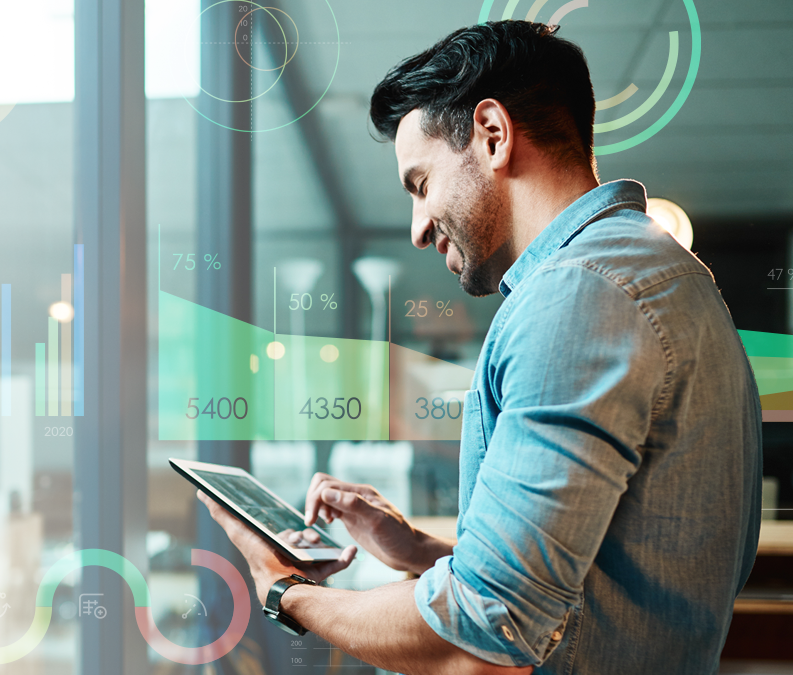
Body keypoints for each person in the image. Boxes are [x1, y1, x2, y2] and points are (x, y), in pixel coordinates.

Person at [198, 20, 762, 675]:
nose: (416, 227)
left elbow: (476, 645)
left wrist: (282, 589)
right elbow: (584, 592)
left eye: (420, 183)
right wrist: (413, 548)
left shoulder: (576, 299)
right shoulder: (666, 275)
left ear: (493, 135)